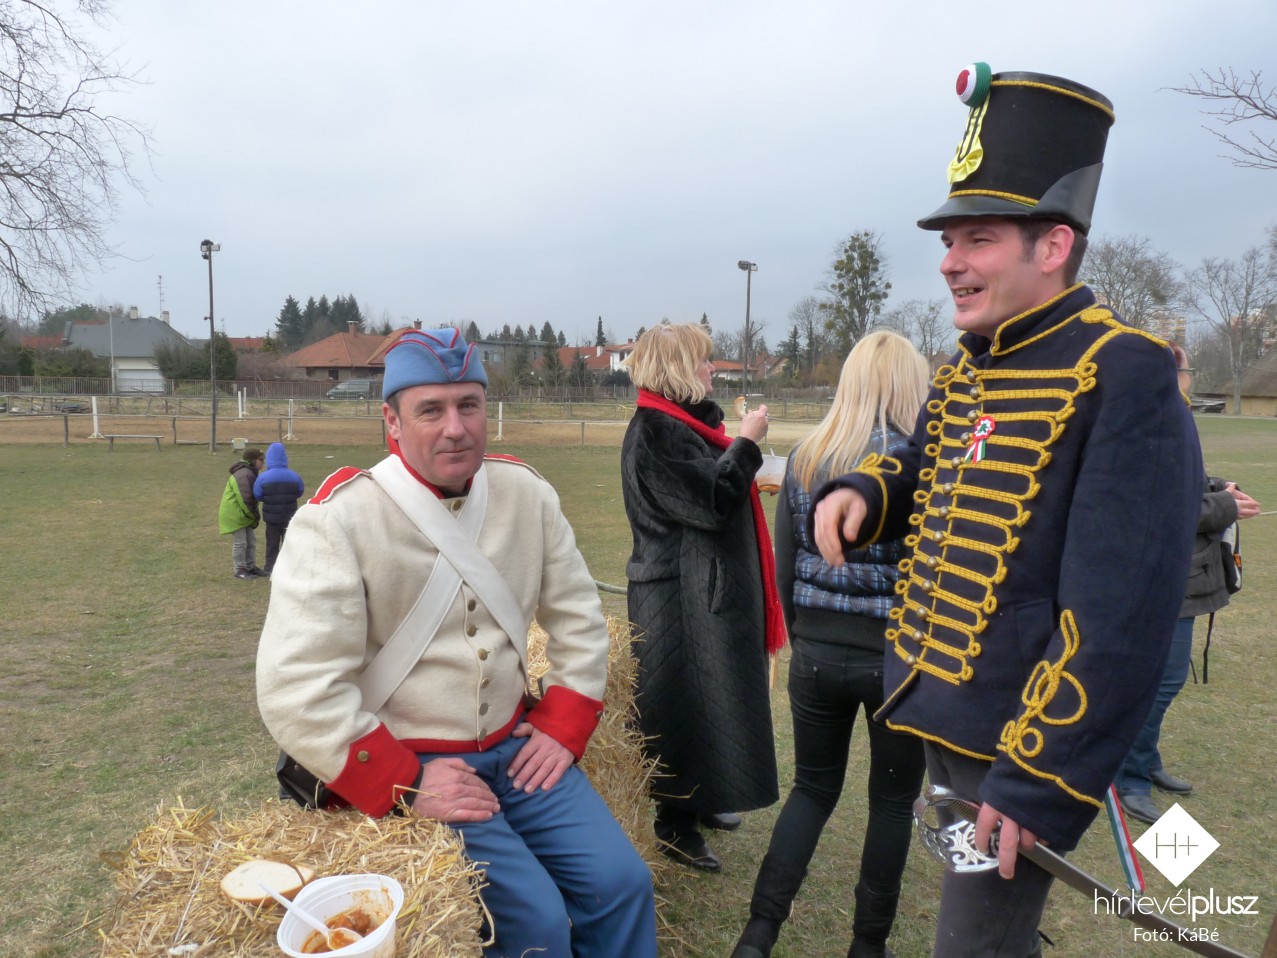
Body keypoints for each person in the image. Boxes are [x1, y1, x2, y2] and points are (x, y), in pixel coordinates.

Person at [810, 64, 1201, 957]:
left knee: (972, 948)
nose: (949, 262)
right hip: (942, 711)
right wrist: (866, 490)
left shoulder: (1122, 370)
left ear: (1052, 245)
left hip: (1022, 740)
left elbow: (1121, 613)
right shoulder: (969, 365)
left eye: (977, 239)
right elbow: (927, 465)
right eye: (950, 240)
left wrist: (1039, 778)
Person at [256, 328, 657, 958]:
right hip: (416, 761)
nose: (456, 428)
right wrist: (406, 781)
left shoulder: (527, 494)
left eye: (469, 405)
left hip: (517, 748)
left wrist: (563, 724)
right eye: (431, 410)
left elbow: (579, 617)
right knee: (534, 924)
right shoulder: (337, 520)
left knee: (623, 884)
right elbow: (295, 687)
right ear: (392, 421)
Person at [731, 331, 929, 958]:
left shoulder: (807, 455)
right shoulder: (925, 469)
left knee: (812, 791)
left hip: (818, 651)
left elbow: (785, 563)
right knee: (891, 803)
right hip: (899, 660)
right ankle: (867, 946)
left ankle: (759, 934)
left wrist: (802, 636)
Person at [620, 322, 784, 872]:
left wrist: (735, 443)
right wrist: (747, 445)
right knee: (681, 710)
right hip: (676, 601)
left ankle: (707, 796)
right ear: (677, 369)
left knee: (715, 701)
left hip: (702, 594)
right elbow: (711, 501)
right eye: (703, 360)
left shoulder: (684, 425)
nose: (712, 368)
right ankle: (675, 826)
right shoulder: (656, 432)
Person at [1115, 345, 1261, 824]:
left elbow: (1183, 483)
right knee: (1159, 682)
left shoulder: (1170, 419)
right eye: (1183, 370)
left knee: (1165, 679)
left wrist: (1218, 487)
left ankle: (1145, 761)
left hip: (1184, 571)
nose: (1188, 379)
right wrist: (1224, 507)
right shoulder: (1146, 422)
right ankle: (1128, 777)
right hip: (1157, 574)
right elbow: (1157, 505)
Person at [252, 442, 305, 575]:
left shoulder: (263, 477)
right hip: (289, 517)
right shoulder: (294, 476)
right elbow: (300, 492)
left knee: (272, 544)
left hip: (271, 519)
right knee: (290, 543)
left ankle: (270, 568)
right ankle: (292, 568)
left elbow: (257, 494)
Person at [219, 447, 266, 580]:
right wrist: (255, 515)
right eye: (261, 459)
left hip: (243, 514)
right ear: (252, 460)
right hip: (235, 514)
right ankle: (239, 569)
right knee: (240, 543)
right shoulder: (244, 475)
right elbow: (246, 500)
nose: (263, 462)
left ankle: (250, 567)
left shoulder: (250, 472)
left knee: (251, 541)